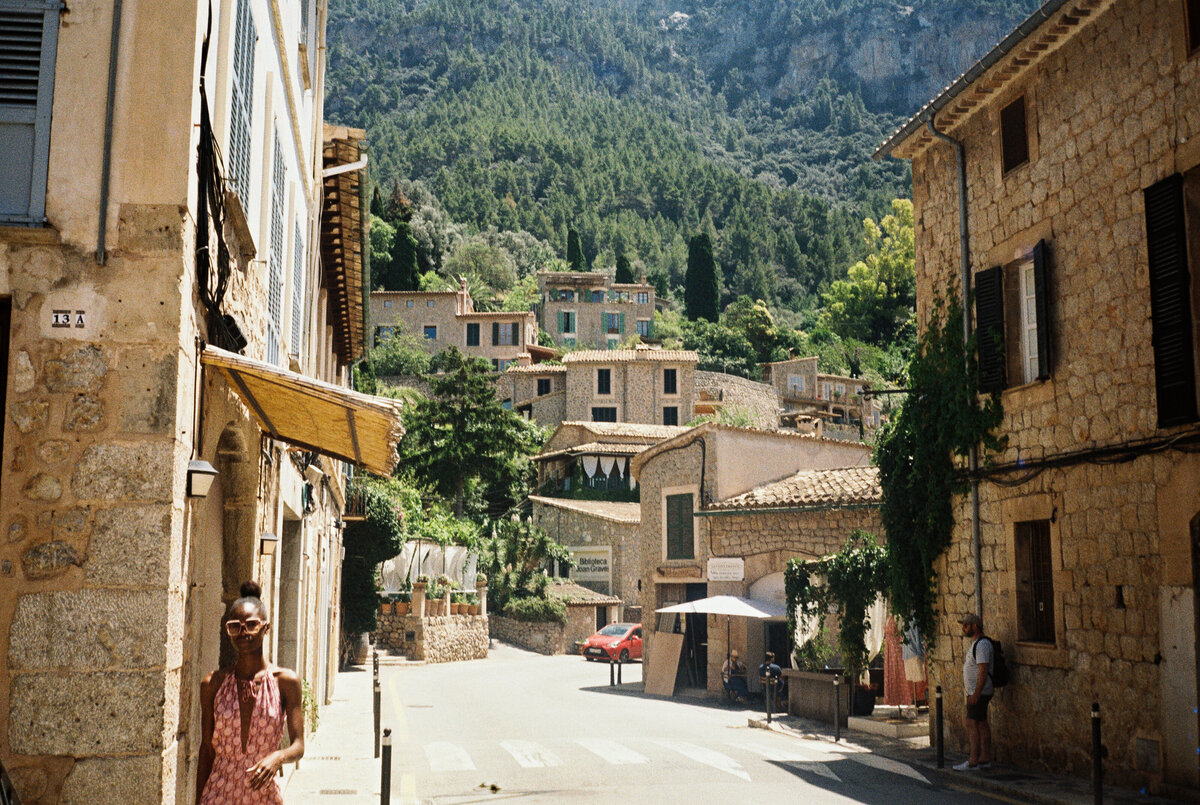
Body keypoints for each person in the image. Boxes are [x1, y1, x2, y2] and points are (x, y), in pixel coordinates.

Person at [197, 581, 305, 804]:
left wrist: (278, 756)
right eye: (235, 626)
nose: (243, 632)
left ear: (266, 628)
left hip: (263, 795)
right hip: (218, 796)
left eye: (252, 624)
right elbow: (207, 750)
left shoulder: (286, 682)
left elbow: (299, 745)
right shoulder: (213, 683)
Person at [954, 613, 994, 771]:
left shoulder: (982, 645)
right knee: (981, 723)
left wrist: (976, 693)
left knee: (972, 723)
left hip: (980, 692)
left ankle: (973, 760)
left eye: (966, 625)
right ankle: (984, 758)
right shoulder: (977, 644)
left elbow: (983, 670)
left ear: (975, 626)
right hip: (978, 691)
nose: (963, 629)